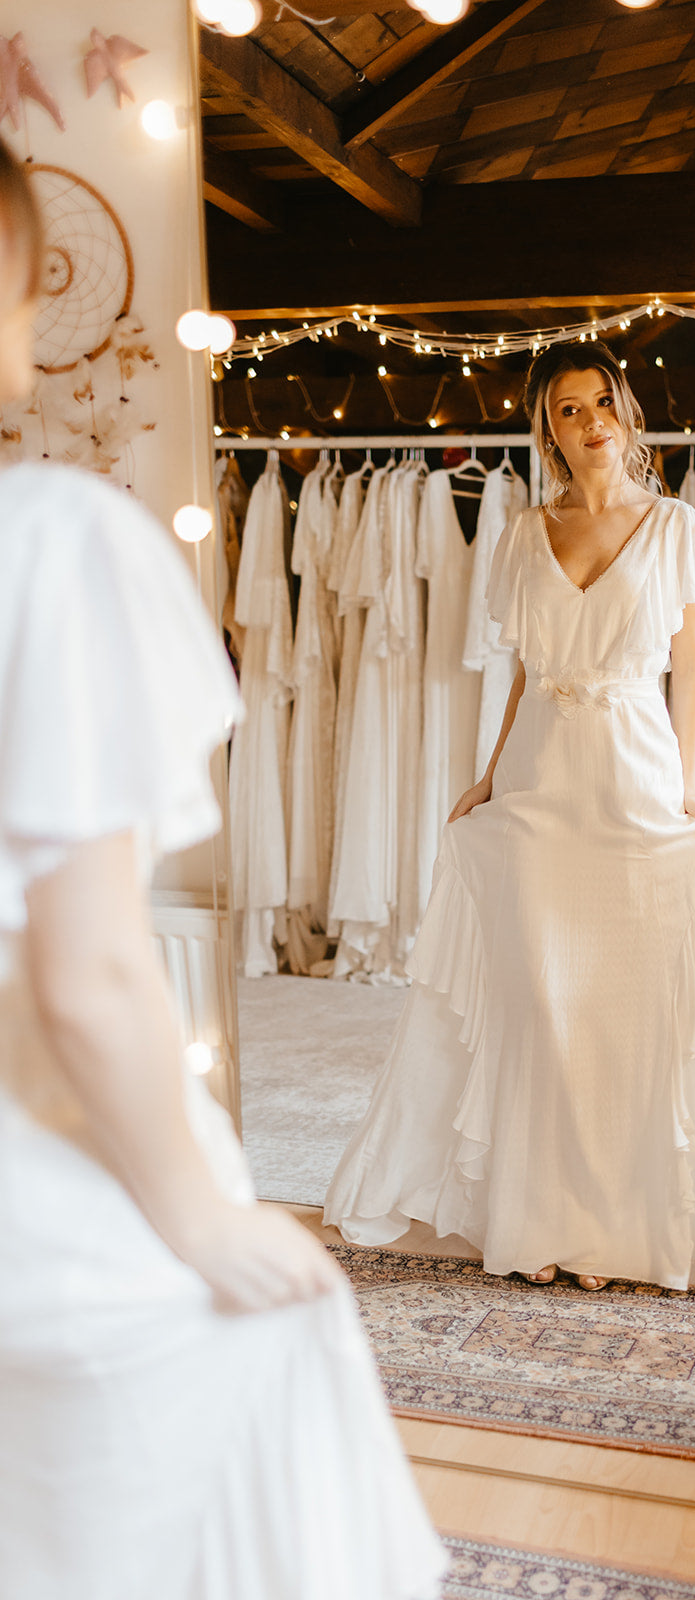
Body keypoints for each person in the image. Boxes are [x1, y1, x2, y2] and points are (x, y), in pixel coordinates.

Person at [0, 137, 447, 1600]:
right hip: (31, 1191)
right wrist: (201, 1218)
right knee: (272, 1369)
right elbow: (84, 971)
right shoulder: (53, 543)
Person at [325, 342, 695, 1295]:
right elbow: (523, 671)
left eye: (600, 400)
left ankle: (622, 1228)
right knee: (539, 1008)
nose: (588, 421)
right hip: (536, 786)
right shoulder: (523, 531)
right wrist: (489, 776)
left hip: (635, 781)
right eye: (567, 409)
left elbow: (694, 673)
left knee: (622, 1014)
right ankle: (539, 1223)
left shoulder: (678, 524)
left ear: (625, 409)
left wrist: (688, 786)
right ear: (548, 428)